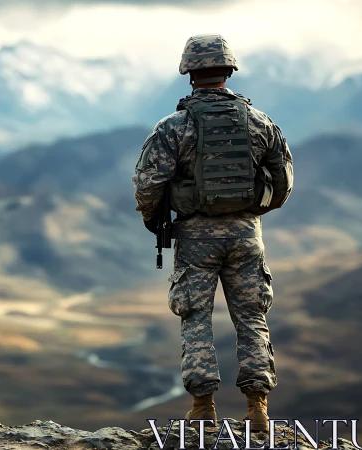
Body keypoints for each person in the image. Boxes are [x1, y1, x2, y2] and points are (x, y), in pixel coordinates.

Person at [132, 34, 293, 431]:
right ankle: (258, 408)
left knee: (196, 318)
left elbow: (148, 183)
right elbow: (284, 180)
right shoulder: (260, 121)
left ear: (189, 73)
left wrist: (153, 220)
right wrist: (253, 212)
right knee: (252, 317)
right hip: (246, 236)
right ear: (229, 70)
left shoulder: (174, 126)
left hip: (195, 239)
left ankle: (203, 407)